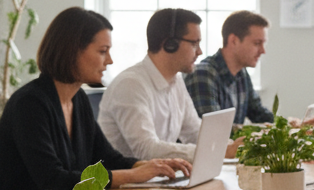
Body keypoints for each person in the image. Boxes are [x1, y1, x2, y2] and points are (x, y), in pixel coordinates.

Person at [0, 8, 191, 190]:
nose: (109, 60)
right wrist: (133, 175)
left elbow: (107, 158)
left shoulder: (78, 98)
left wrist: (151, 166)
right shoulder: (29, 104)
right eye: (102, 51)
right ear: (72, 51)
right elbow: (54, 181)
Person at [97, 8, 240, 161]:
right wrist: (218, 151)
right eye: (194, 43)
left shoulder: (176, 81)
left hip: (158, 174)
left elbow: (193, 131)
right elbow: (146, 150)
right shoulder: (130, 85)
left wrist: (231, 147)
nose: (199, 51)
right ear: (169, 44)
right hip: (122, 175)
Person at [184, 11, 314, 129]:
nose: (262, 51)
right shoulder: (203, 75)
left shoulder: (241, 74)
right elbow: (214, 131)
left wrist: (297, 125)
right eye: (257, 43)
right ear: (234, 40)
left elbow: (261, 115)